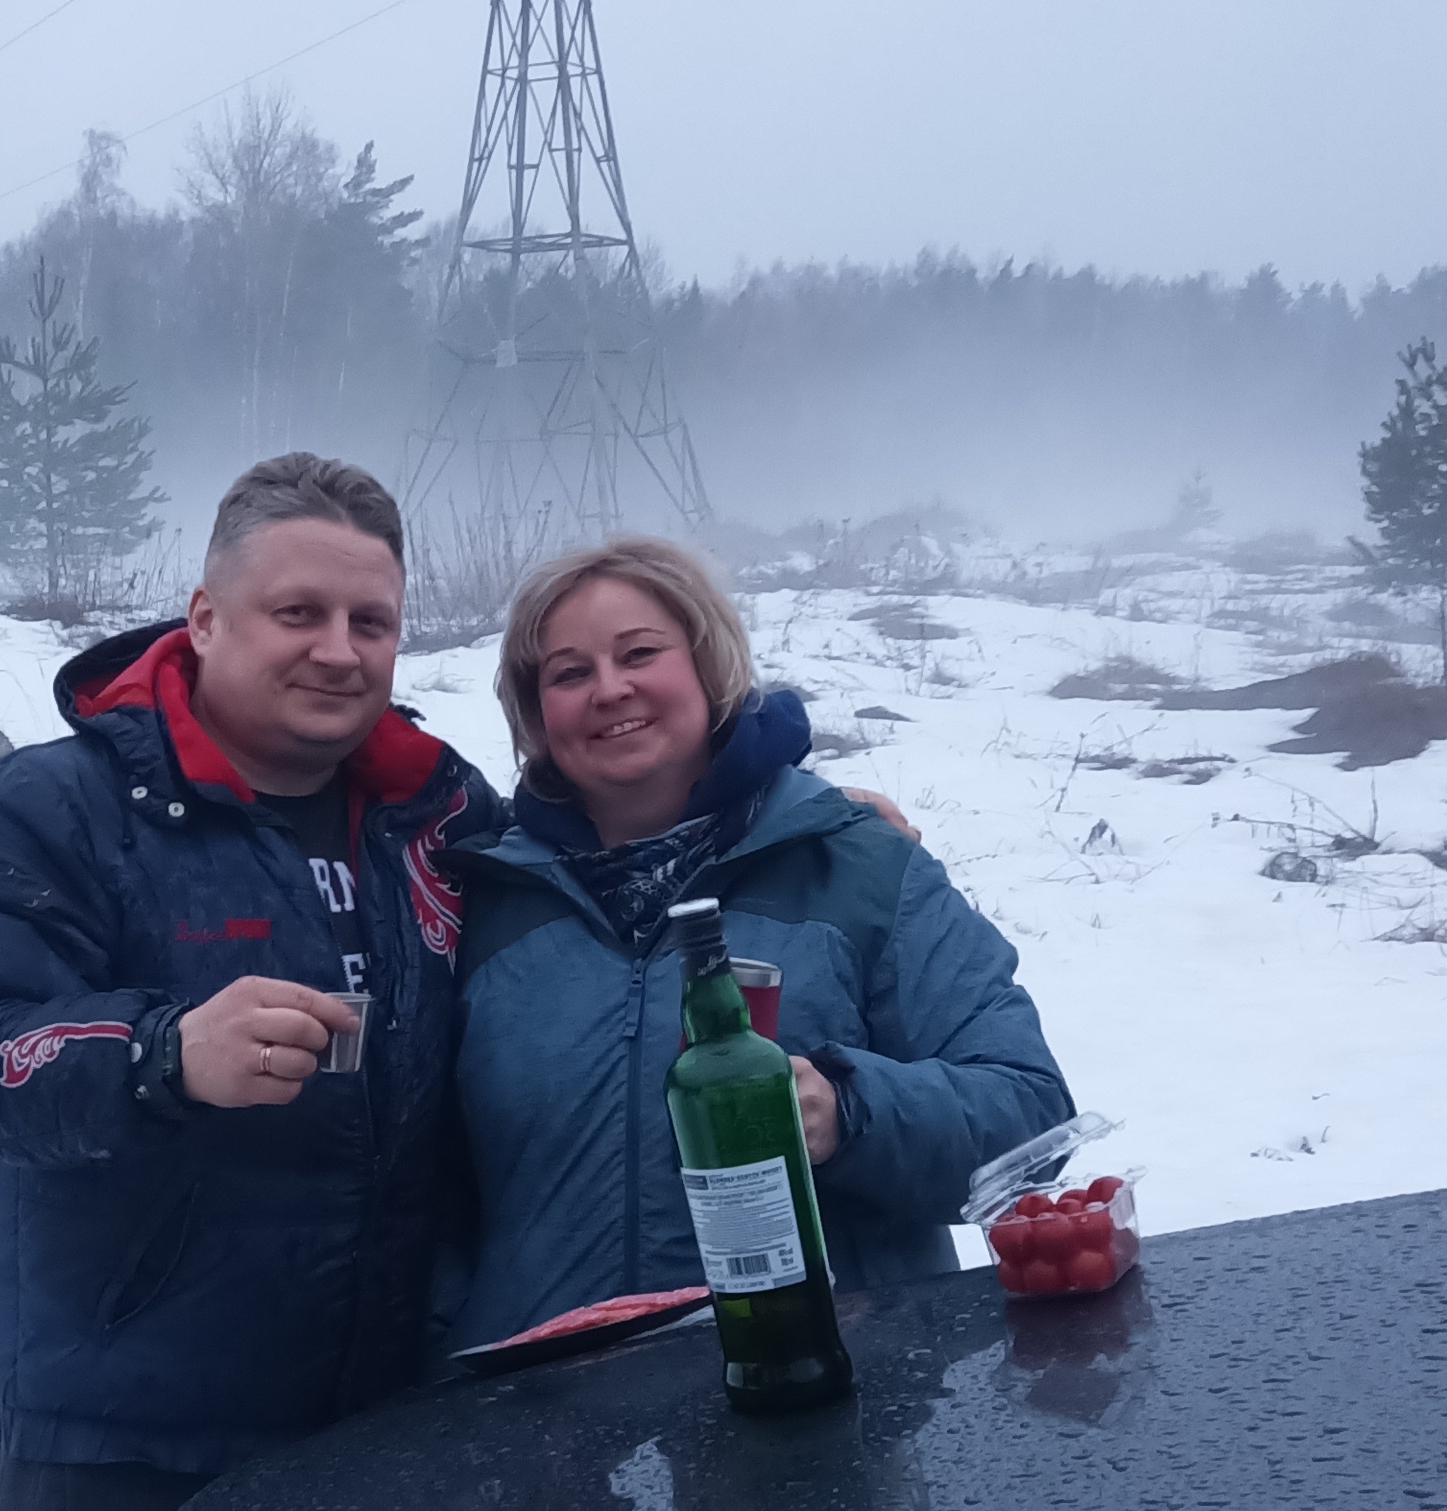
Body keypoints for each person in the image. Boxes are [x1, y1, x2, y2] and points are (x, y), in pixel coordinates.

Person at [0, 454, 499, 1511]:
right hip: (127, 1451)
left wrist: (807, 825)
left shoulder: (437, 818)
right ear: (205, 618)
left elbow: (608, 892)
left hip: (390, 1434)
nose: (339, 651)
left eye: (371, 622)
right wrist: (159, 1055)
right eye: (298, 613)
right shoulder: (47, 812)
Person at [446, 537, 1071, 1346]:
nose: (609, 689)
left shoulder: (860, 867)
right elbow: (419, 1192)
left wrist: (849, 1112)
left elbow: (1032, 1118)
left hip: (834, 1376)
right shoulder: (482, 903)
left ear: (708, 665)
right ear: (536, 711)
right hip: (547, 1404)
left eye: (640, 653)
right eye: (569, 673)